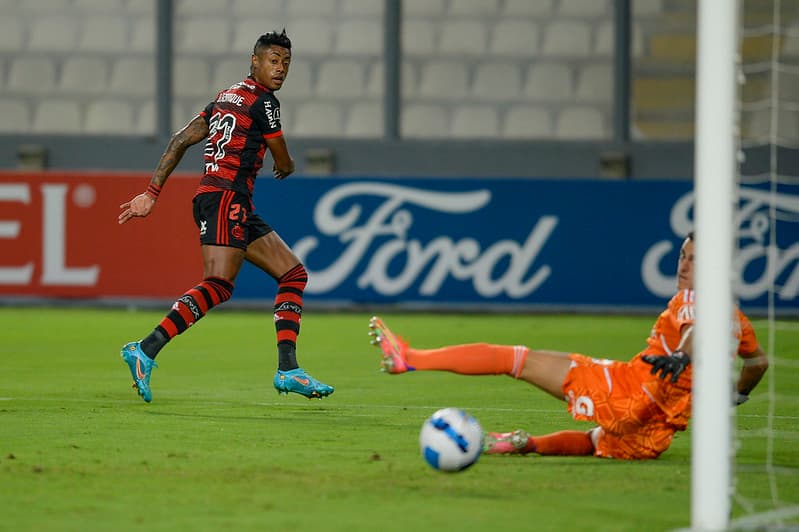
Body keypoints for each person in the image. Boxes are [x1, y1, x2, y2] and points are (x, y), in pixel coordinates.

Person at [368, 233, 768, 459]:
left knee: (516, 359)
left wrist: (682, 354)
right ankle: (524, 444)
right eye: (683, 255)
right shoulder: (738, 318)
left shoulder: (696, 300)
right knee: (596, 441)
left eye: (695, 260)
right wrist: (738, 395)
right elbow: (759, 362)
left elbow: (695, 329)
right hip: (656, 430)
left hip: (629, 390)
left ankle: (411, 358)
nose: (683, 265)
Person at [117, 29, 333, 402]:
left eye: (286, 63)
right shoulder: (265, 103)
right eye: (273, 61)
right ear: (255, 61)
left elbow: (180, 138)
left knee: (293, 274)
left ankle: (288, 369)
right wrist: (290, 164)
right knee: (218, 283)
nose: (280, 69)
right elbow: (282, 159)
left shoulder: (225, 97)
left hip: (231, 202)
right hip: (223, 197)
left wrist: (152, 193)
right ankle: (145, 349)